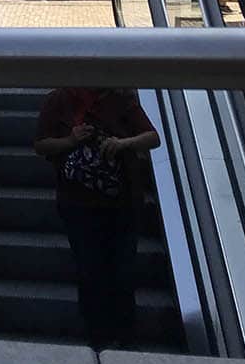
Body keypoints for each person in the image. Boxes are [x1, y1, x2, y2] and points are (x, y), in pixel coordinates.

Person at [33, 87, 161, 350]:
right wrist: (71, 140)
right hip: (78, 204)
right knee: (90, 271)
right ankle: (99, 338)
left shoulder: (121, 99)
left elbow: (152, 137)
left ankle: (123, 338)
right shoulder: (59, 99)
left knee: (122, 271)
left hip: (123, 203)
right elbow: (41, 144)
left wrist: (122, 143)